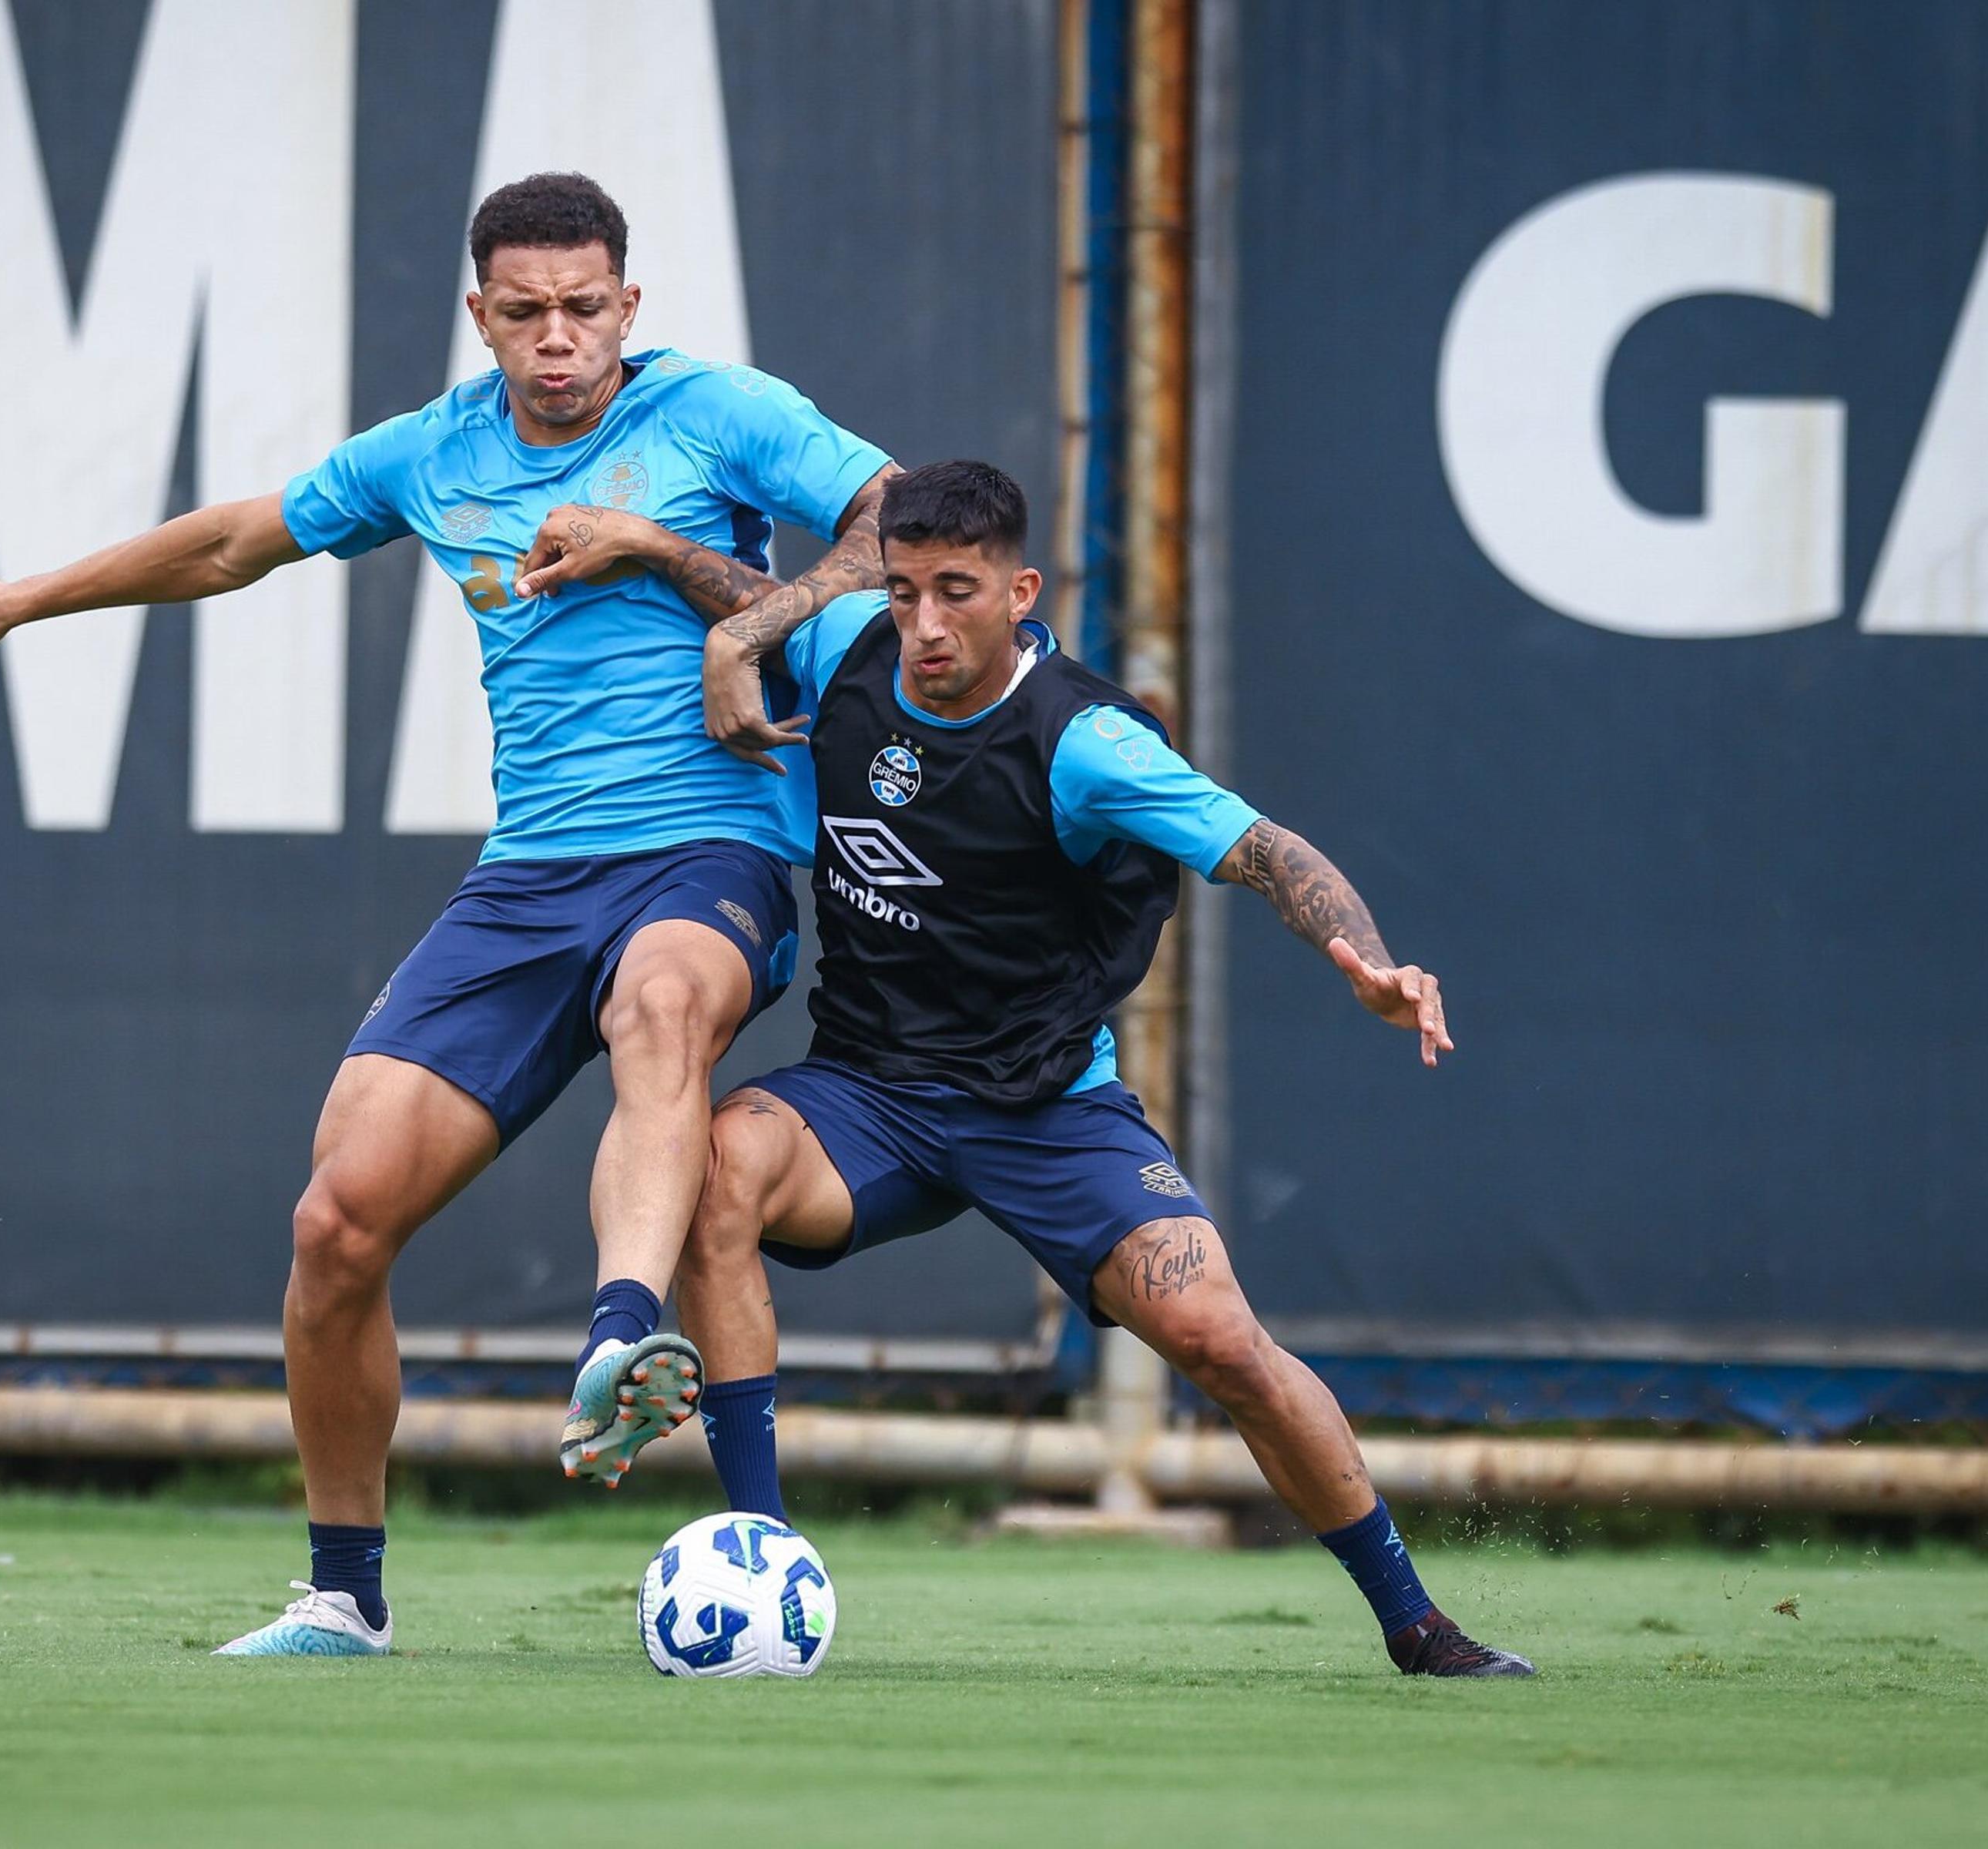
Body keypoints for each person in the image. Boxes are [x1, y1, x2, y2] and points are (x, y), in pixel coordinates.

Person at [0, 173, 892, 1657]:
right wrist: (19, 600)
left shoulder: (721, 413)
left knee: (661, 1008)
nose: (560, 339)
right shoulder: (433, 454)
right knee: (336, 1223)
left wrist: (742, 618)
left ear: (631, 304)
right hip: (528, 878)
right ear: (480, 316)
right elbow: (235, 543)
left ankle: (617, 1329)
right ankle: (344, 1595)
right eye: (526, 313)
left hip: (706, 852)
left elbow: (895, 524)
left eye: (587, 307)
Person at [607, 458, 1535, 1676]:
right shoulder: (848, 651)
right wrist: (640, 542)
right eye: (903, 594)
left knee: (1223, 1345)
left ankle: (1418, 1626)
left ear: (1020, 589)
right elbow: (745, 585)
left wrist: (1368, 960)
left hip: (1047, 1108)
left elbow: (1269, 853)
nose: (926, 625)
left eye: (957, 592)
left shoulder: (1088, 743)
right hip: (870, 1096)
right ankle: (764, 1554)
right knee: (713, 1163)